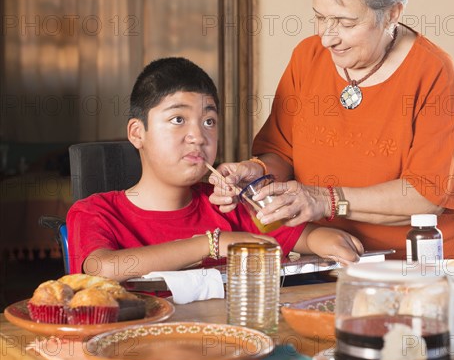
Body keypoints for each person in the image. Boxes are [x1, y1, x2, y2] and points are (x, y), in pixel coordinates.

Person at [209, 0, 454, 260]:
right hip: (328, 258)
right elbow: (282, 153)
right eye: (320, 17)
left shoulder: (432, 71)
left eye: (346, 22)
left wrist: (327, 199)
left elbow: (425, 196)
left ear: (392, 13)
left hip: (417, 264)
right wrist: (258, 172)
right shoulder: (306, 58)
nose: (326, 38)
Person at [66, 57, 363, 281]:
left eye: (209, 121)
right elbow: (102, 267)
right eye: (178, 120)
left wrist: (331, 241)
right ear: (137, 133)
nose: (198, 136)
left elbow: (306, 237)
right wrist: (212, 244)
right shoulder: (95, 211)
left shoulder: (229, 203)